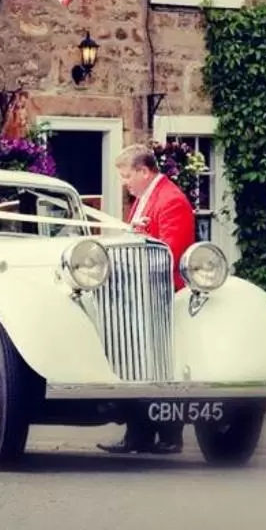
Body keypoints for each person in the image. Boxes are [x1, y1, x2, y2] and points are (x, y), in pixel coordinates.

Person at [99, 145, 201, 456]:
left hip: (161, 295)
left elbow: (168, 253)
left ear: (145, 171)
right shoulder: (147, 197)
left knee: (160, 365)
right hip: (140, 293)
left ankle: (169, 436)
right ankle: (138, 435)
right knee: (135, 367)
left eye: (127, 176)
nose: (124, 183)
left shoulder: (171, 201)